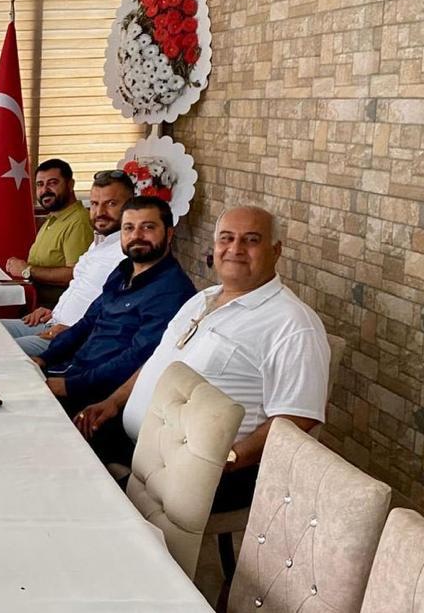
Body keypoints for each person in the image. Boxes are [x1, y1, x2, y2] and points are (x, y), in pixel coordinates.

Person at [74, 205, 331, 512]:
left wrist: (228, 459)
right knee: (59, 454)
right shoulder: (202, 298)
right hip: (139, 444)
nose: (235, 249)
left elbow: (298, 418)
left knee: (86, 508)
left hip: (203, 472)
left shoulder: (292, 324)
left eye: (251, 240)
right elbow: (160, 358)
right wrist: (114, 401)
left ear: (276, 250)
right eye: (226, 238)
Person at [32, 196, 197, 414]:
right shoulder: (123, 271)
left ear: (169, 234)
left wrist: (69, 386)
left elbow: (137, 358)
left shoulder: (171, 291)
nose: (136, 236)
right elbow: (88, 322)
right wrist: (44, 359)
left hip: (98, 397)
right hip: (73, 370)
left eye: (148, 227)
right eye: (129, 228)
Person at [3, 170, 134, 356]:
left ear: (131, 206)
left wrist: (75, 332)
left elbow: (123, 316)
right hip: (51, 321)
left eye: (111, 204)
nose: (100, 212)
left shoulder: (129, 252)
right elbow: (82, 289)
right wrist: (55, 311)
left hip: (74, 339)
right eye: (95, 204)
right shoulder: (100, 242)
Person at [4, 159, 94, 307]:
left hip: (55, 312)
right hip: (35, 306)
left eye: (52, 183)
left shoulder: (78, 222)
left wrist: (27, 270)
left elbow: (76, 274)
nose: (45, 190)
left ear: (70, 184)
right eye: (40, 184)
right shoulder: (53, 218)